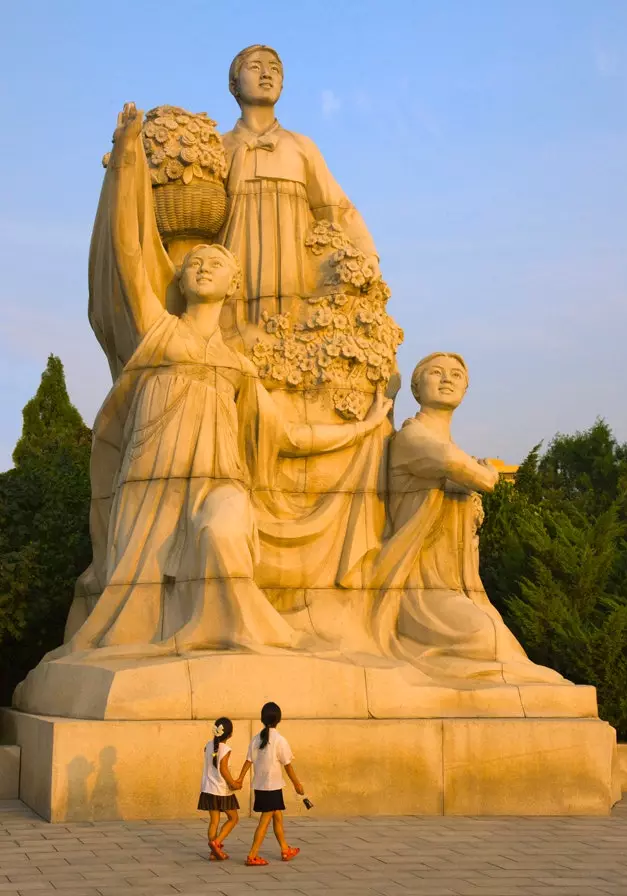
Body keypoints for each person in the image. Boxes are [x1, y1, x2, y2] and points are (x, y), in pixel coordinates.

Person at [52, 103, 392, 657]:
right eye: (195, 264)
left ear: (235, 285)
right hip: (154, 480)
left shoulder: (238, 366)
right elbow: (130, 252)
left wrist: (365, 429)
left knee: (226, 529)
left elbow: (287, 437)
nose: (205, 266)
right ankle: (161, 639)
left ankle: (234, 636)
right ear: (181, 281)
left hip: (218, 483)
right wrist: (126, 165)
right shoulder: (157, 332)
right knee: (137, 592)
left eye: (218, 264)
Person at [371, 352, 566, 684]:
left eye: (457, 375)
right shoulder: (413, 439)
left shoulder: (447, 446)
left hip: (459, 590)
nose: (448, 379)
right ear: (416, 389)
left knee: (505, 648)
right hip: (419, 591)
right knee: (486, 637)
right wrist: (485, 471)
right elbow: (474, 474)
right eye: (436, 372)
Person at [220, 44, 379, 339]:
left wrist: (366, 252)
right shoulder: (220, 147)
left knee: (290, 336)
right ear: (233, 84)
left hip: (291, 267)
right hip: (236, 262)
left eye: (275, 69)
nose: (267, 74)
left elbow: (335, 207)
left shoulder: (301, 146)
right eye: (255, 67)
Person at [237, 702, 303, 866]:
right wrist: (297, 784)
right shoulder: (280, 740)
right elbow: (287, 765)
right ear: (278, 719)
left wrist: (240, 778)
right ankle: (252, 855)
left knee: (277, 817)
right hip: (272, 786)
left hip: (260, 786)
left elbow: (248, 761)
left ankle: (285, 848)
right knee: (265, 821)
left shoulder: (256, 738)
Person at [198, 717, 241, 861]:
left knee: (214, 821)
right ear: (230, 734)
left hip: (208, 789)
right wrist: (233, 783)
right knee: (233, 818)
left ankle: (213, 853)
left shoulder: (208, 746)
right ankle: (216, 843)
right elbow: (223, 769)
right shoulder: (226, 749)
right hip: (221, 790)